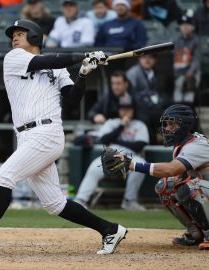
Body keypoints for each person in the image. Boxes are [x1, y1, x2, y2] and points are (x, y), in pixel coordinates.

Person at [0, 19, 127, 256]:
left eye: (20, 34)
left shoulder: (58, 69)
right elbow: (43, 61)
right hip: (27, 136)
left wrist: (84, 73)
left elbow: (72, 100)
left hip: (47, 133)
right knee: (54, 203)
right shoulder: (13, 58)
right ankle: (110, 229)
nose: (14, 38)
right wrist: (83, 56)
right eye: (13, 34)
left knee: (5, 176)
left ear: (34, 36)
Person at [110, 104, 209, 250]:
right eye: (167, 124)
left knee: (191, 187)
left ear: (185, 125)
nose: (167, 128)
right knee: (166, 186)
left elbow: (170, 169)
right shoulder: (183, 144)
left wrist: (132, 164)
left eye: (172, 124)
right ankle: (196, 234)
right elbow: (175, 175)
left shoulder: (196, 145)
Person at [74, 96, 149, 210]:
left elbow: (139, 146)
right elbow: (104, 140)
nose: (125, 112)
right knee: (94, 168)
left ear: (133, 110)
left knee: (141, 165)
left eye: (128, 109)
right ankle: (80, 200)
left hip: (130, 156)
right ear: (119, 110)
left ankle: (129, 201)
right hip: (110, 157)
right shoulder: (111, 123)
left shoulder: (139, 125)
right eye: (123, 109)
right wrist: (122, 126)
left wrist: (116, 140)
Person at [126, 54, 162, 144]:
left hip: (152, 109)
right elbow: (129, 94)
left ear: (155, 60)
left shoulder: (152, 73)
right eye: (144, 57)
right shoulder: (133, 72)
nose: (147, 60)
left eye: (150, 57)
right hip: (138, 111)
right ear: (139, 59)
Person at [173, 10, 200, 104]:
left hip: (191, 72)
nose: (185, 26)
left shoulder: (196, 40)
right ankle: (177, 110)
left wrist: (190, 72)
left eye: (188, 24)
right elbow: (173, 58)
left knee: (189, 91)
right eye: (182, 24)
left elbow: (196, 59)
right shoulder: (176, 39)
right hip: (178, 72)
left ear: (193, 26)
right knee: (178, 87)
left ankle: (188, 110)